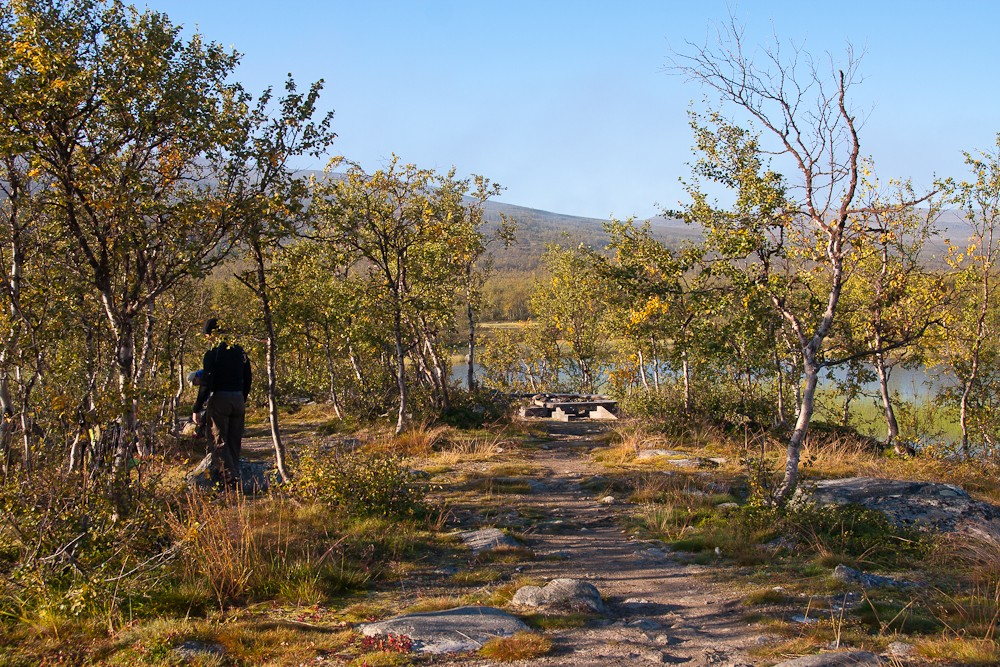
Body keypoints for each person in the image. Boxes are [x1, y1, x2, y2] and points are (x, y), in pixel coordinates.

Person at [192, 318, 252, 487]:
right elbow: (248, 378)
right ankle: (236, 474)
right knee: (234, 440)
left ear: (210, 334)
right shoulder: (240, 351)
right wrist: (242, 397)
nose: (206, 339)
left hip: (220, 399)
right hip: (238, 399)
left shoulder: (213, 353)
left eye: (206, 335)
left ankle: (230, 479)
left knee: (217, 441)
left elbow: (207, 382)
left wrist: (197, 407)